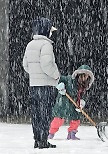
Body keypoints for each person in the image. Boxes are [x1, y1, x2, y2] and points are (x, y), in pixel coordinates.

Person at [23, 17, 60, 149]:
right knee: (45, 114)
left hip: (34, 85)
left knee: (36, 114)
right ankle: (43, 140)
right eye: (50, 30)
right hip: (46, 86)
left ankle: (37, 139)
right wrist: (56, 76)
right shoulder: (46, 45)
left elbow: (25, 65)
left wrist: (34, 74)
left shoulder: (30, 44)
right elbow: (47, 64)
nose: (51, 32)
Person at [48, 65, 94, 140]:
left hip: (74, 104)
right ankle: (50, 133)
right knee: (58, 119)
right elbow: (59, 79)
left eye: (87, 76)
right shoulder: (69, 79)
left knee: (76, 119)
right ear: (79, 75)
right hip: (63, 102)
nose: (84, 78)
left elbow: (83, 96)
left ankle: (71, 134)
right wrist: (60, 86)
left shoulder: (84, 85)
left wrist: (81, 103)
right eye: (83, 75)